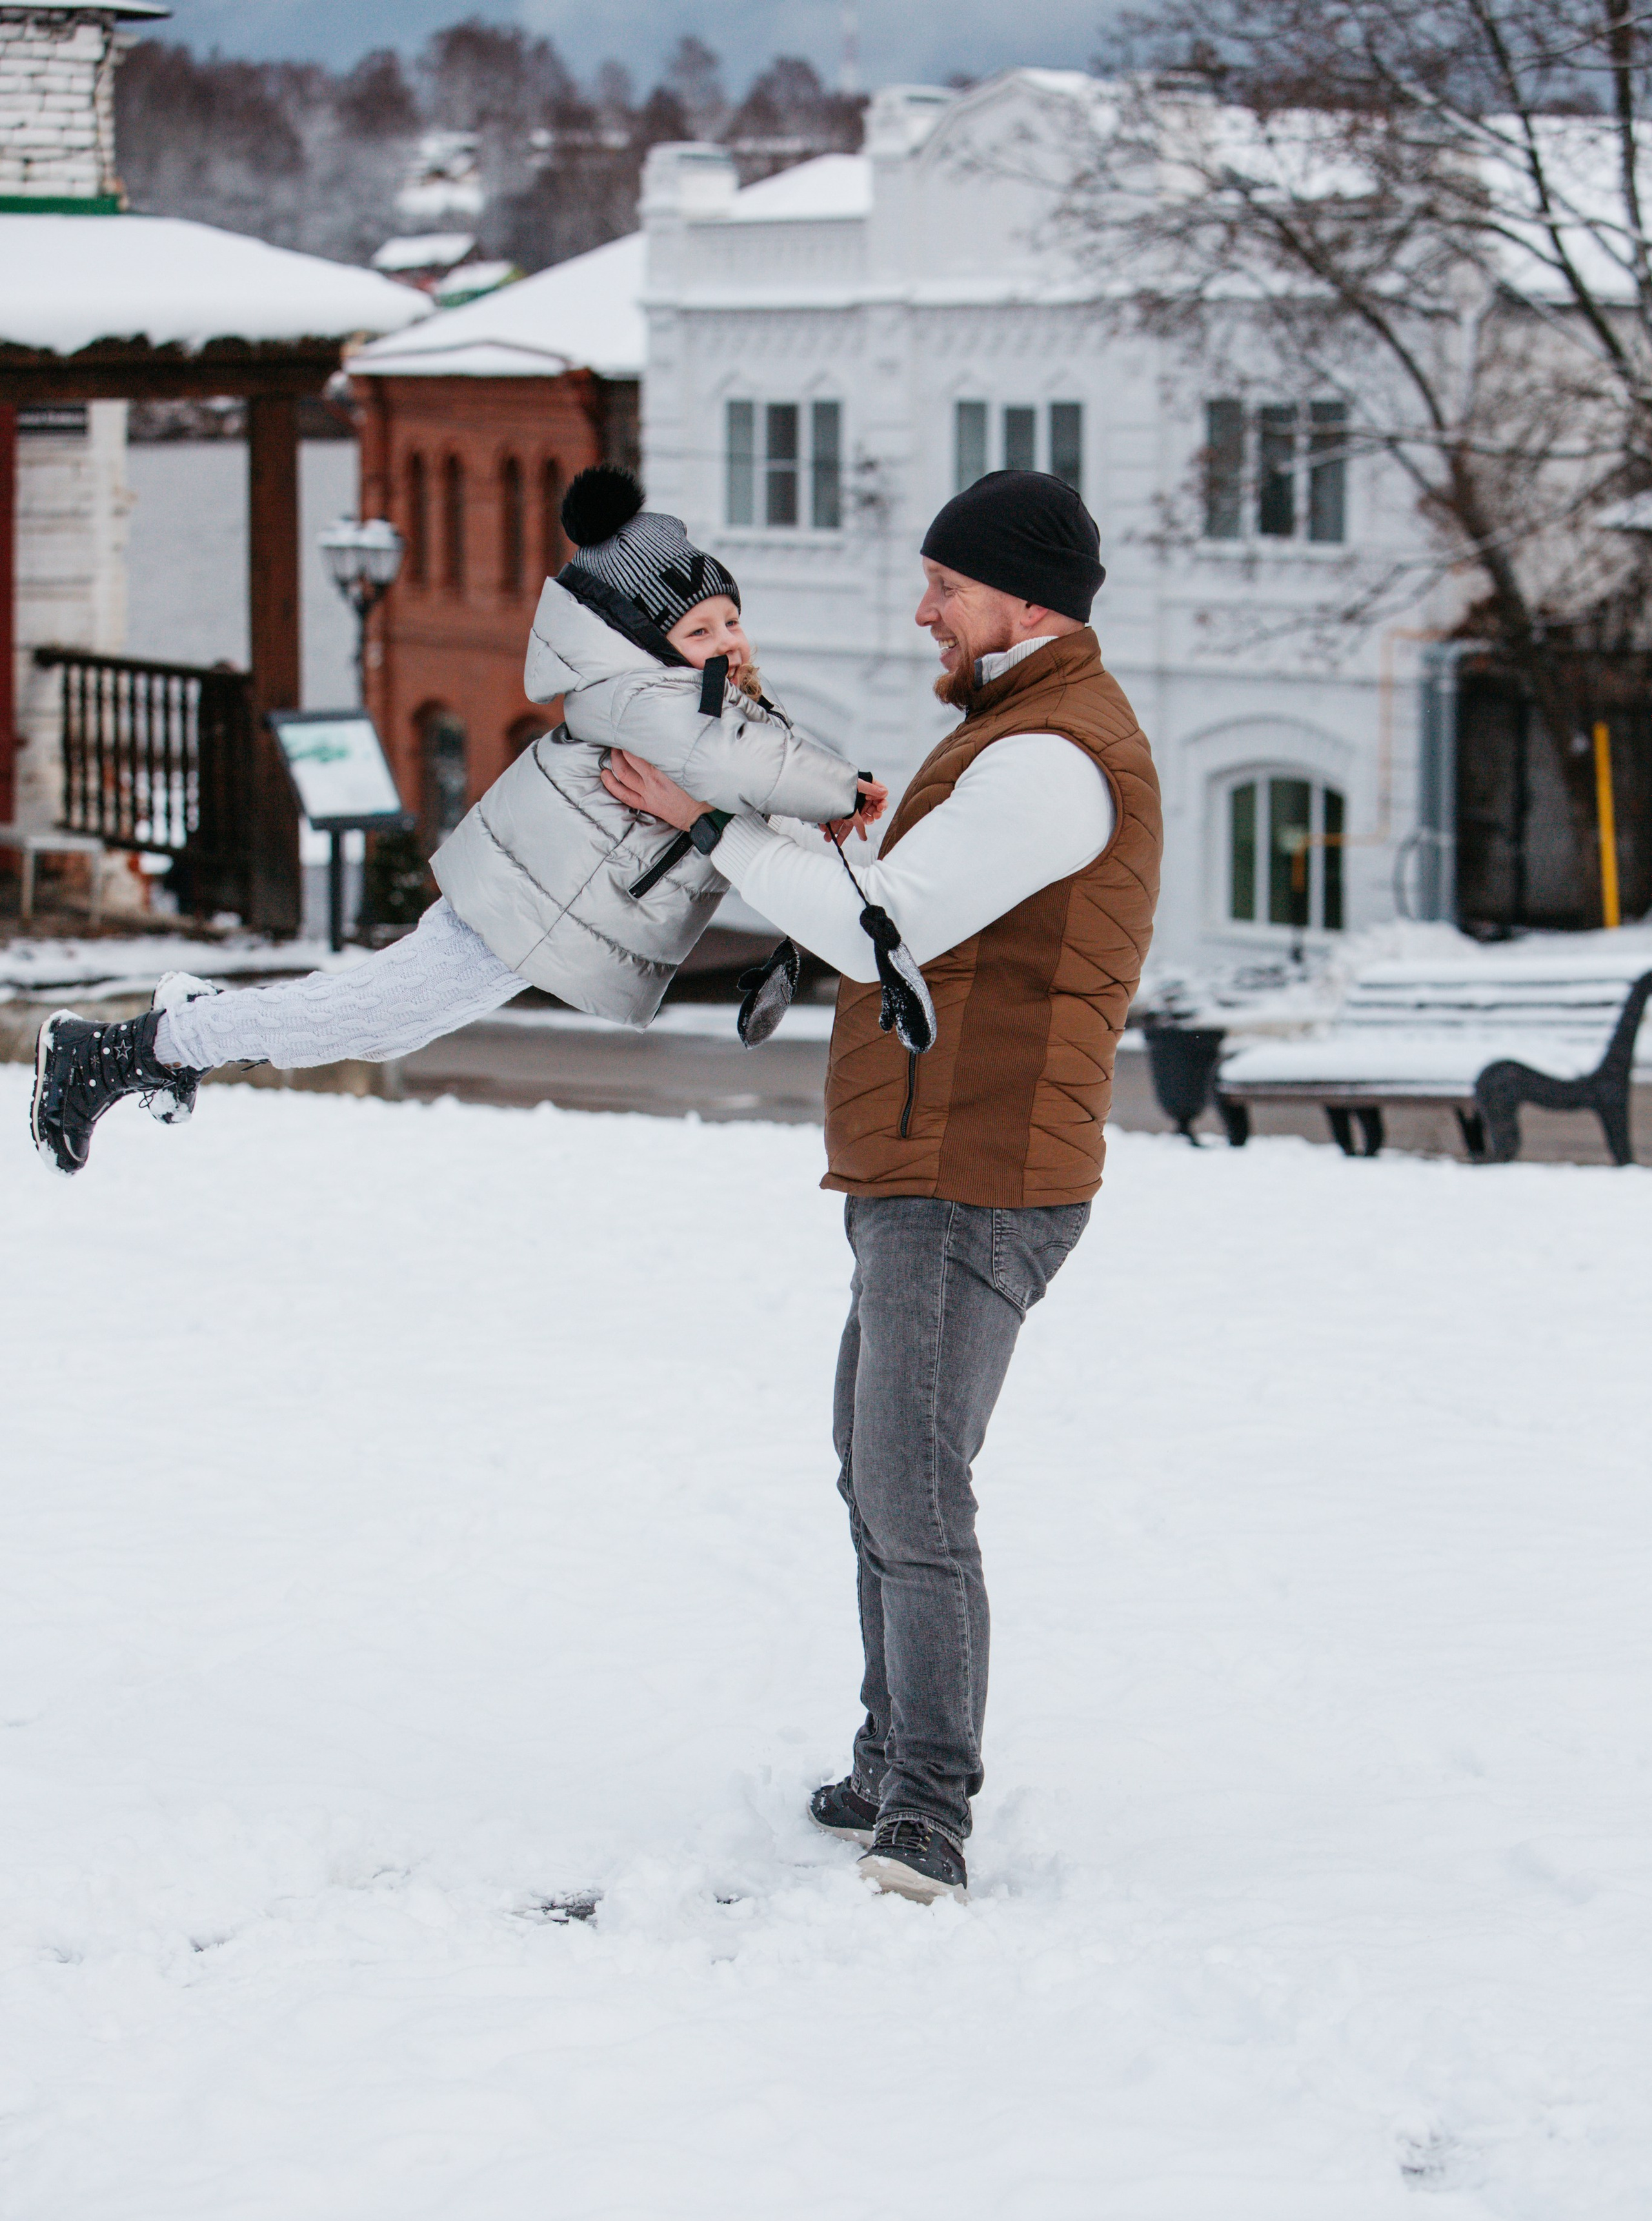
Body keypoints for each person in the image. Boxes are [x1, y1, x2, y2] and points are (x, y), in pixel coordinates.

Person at [603, 468, 1163, 1904]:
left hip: (978, 1168)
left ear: (1025, 600)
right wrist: (748, 771)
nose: (923, 609)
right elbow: (876, 880)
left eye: (946, 587)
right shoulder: (1001, 737)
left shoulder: (1048, 757)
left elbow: (884, 929)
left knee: (913, 1490)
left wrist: (710, 824)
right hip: (926, 1154)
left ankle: (926, 1806)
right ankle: (886, 1757)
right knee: (875, 1475)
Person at [30, 468, 883, 1175]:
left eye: (730, 619)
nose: (727, 638)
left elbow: (750, 779)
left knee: (389, 1019)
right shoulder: (648, 696)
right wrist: (845, 792)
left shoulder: (704, 705)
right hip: (530, 901)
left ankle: (176, 1028)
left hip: (546, 907)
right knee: (361, 1016)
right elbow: (757, 766)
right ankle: (121, 1050)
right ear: (640, 638)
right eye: (700, 628)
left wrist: (824, 825)